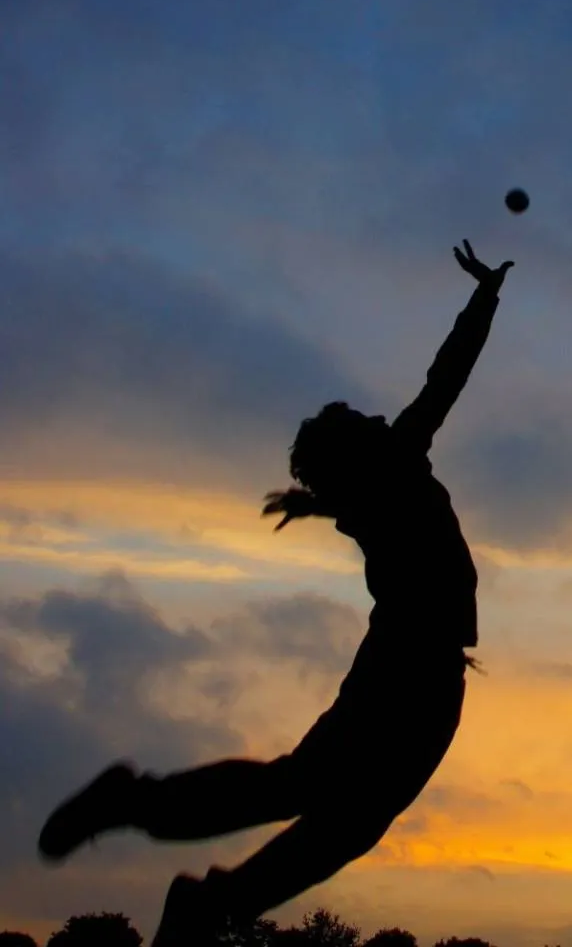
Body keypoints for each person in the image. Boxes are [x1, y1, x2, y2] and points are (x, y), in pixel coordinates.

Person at [38, 240, 514, 947]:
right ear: (358, 450)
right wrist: (482, 298)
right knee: (315, 795)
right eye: (356, 419)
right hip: (411, 663)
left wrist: (320, 503)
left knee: (336, 814)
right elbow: (447, 377)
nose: (371, 414)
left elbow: (379, 472)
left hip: (423, 665)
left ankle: (207, 896)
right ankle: (151, 822)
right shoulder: (392, 461)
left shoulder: (373, 482)